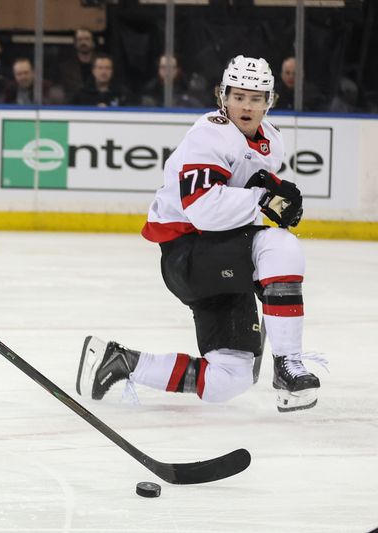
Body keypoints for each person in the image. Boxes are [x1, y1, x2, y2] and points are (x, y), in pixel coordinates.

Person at [76, 55, 325, 413]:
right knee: (280, 246)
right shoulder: (210, 134)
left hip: (221, 254)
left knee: (231, 378)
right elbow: (203, 208)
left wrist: (275, 194)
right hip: (188, 255)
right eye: (238, 96)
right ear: (223, 97)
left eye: (256, 98)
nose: (246, 106)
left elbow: (248, 182)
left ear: (269, 102)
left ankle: (120, 362)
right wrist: (264, 200)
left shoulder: (272, 140)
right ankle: (289, 364)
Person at [53, 27, 97, 102]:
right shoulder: (65, 68)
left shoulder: (103, 64)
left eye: (87, 39)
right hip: (73, 104)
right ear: (75, 43)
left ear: (93, 42)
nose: (83, 42)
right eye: (79, 39)